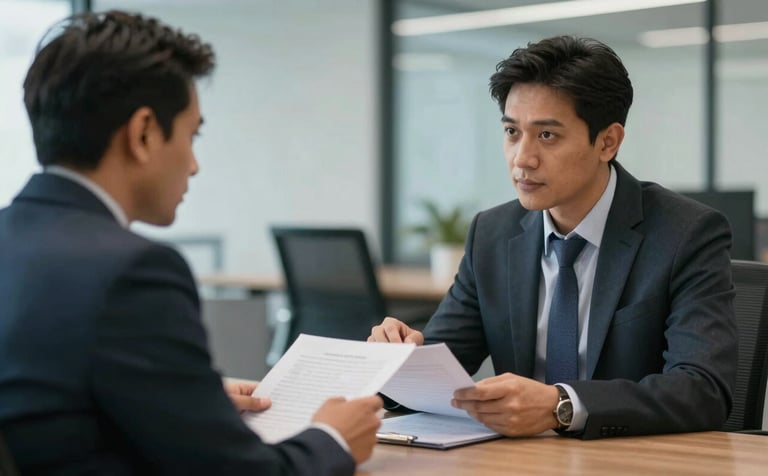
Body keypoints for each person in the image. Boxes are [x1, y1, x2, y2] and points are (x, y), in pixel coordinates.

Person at [0, 10, 381, 475]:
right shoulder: (132, 271)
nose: (194, 165)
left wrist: (179, 401)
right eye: (191, 135)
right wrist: (333, 439)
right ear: (143, 133)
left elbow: (46, 404)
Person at [369, 35, 737, 440]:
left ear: (607, 142)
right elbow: (443, 367)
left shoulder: (686, 233)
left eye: (547, 135)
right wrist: (398, 363)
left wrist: (561, 406)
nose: (522, 158)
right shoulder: (492, 234)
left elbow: (702, 389)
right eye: (512, 132)